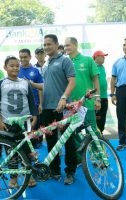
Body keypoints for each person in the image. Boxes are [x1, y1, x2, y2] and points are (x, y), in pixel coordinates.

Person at [0, 56, 37, 188]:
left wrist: (35, 116)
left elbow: (31, 101)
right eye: (11, 65)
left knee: (27, 151)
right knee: (11, 152)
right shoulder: (0, 83)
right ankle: (13, 178)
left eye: (17, 65)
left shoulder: (25, 82)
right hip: (8, 124)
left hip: (25, 123)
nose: (15, 68)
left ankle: (28, 176)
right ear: (5, 68)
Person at [42, 34, 76, 185]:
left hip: (64, 107)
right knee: (50, 140)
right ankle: (55, 170)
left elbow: (72, 82)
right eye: (45, 45)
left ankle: (70, 171)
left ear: (56, 44)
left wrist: (63, 98)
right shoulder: (45, 64)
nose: (46, 47)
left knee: (68, 140)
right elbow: (46, 85)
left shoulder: (65, 60)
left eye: (49, 44)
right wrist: (30, 84)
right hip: (48, 109)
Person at [64, 37, 101, 166]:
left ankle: (97, 156)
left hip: (88, 103)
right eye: (64, 46)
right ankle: (80, 157)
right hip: (71, 106)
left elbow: (95, 79)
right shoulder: (65, 62)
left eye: (68, 45)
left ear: (75, 45)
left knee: (93, 131)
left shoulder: (88, 60)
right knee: (73, 132)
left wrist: (97, 98)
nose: (66, 48)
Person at [18, 48, 43, 148]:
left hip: (35, 104)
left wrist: (41, 104)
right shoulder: (16, 70)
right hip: (21, 105)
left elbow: (41, 88)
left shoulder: (35, 71)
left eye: (25, 57)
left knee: (35, 126)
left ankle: (36, 145)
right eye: (21, 57)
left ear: (30, 57)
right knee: (23, 127)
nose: (23, 59)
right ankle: (25, 147)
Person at [93, 50, 109, 134]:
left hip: (104, 97)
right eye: (102, 56)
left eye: (104, 56)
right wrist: (96, 97)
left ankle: (100, 135)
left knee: (102, 118)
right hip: (96, 98)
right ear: (96, 57)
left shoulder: (102, 67)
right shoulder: (93, 66)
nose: (104, 58)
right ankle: (95, 137)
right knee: (96, 119)